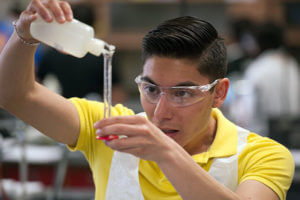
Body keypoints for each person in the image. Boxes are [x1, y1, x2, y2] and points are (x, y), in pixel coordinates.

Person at [0, 1, 294, 200]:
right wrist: (25, 34)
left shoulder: (263, 156)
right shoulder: (111, 130)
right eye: (151, 89)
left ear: (219, 93)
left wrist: (164, 152)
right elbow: (15, 95)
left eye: (182, 93)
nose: (160, 113)